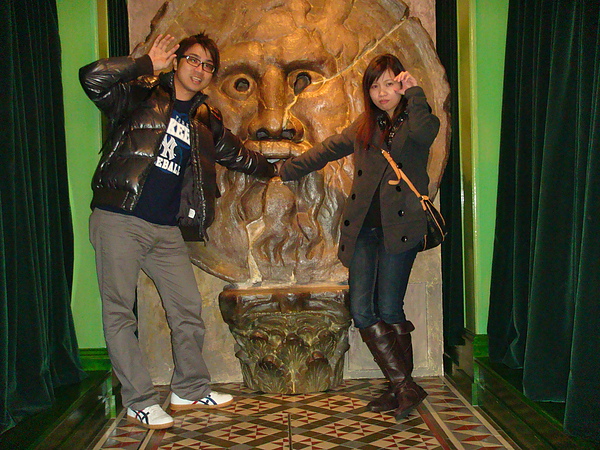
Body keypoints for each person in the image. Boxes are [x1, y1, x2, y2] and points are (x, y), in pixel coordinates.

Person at [80, 33, 276, 430]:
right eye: (193, 60)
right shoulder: (140, 94)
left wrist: (277, 169)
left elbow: (237, 154)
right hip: (120, 217)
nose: (199, 70)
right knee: (119, 312)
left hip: (165, 228)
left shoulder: (204, 119)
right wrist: (143, 64)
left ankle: (188, 387)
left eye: (208, 66)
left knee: (187, 309)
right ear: (176, 62)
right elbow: (92, 78)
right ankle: (138, 400)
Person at [278, 54, 440, 420]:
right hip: (364, 229)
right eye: (374, 85)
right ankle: (403, 387)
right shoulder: (366, 126)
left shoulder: (415, 119)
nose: (382, 93)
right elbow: (329, 148)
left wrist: (415, 92)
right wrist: (287, 169)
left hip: (401, 229)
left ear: (401, 84)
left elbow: (426, 133)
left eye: (389, 84)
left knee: (389, 307)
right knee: (362, 309)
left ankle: (400, 387)